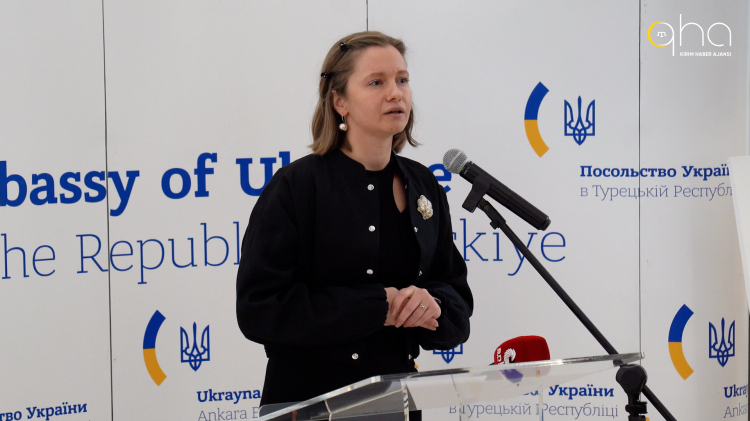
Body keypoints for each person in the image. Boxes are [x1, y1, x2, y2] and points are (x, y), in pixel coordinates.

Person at [236, 31, 473, 408]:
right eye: (376, 82)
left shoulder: (424, 184)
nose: (395, 93)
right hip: (308, 404)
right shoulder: (297, 186)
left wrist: (433, 305)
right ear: (339, 101)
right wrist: (376, 306)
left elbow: (456, 301)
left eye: (402, 79)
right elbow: (260, 309)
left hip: (396, 403)